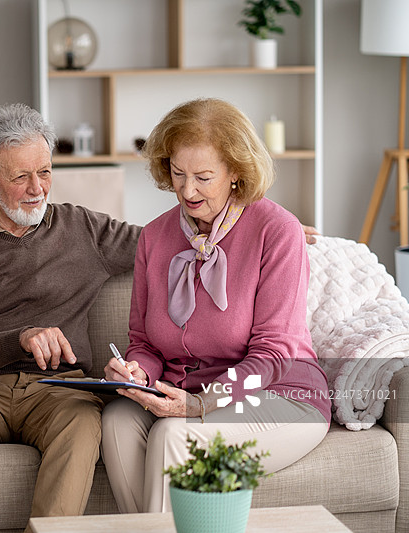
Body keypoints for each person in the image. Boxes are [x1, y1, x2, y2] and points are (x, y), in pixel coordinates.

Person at [0, 103, 142, 533]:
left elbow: (165, 243)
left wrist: (253, 229)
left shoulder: (82, 229)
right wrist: (18, 338)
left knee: (84, 417)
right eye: (20, 177)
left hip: (59, 391)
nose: (37, 188)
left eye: (46, 172)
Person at [100, 97, 332, 514]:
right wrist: (136, 372)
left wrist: (200, 405)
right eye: (178, 173)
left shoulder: (277, 231)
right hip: (185, 393)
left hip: (279, 393)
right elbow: (143, 342)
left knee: (174, 435)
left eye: (204, 177)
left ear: (236, 174)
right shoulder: (154, 238)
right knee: (116, 420)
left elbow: (274, 355)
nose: (187, 191)